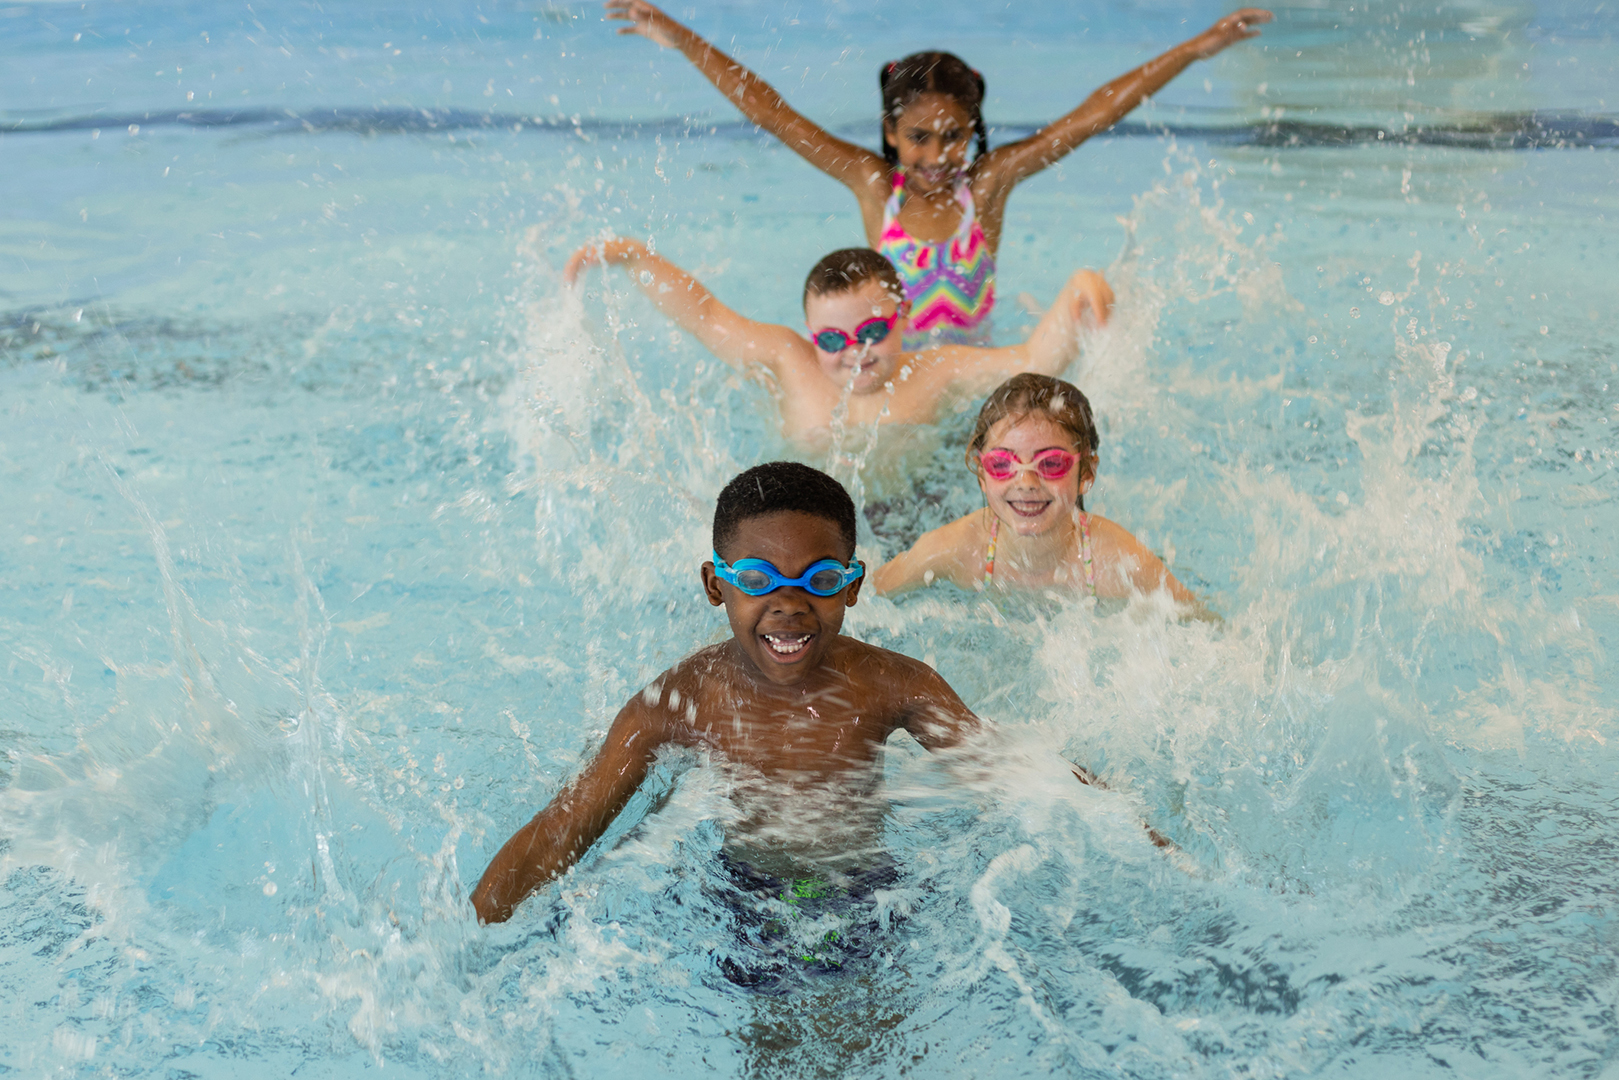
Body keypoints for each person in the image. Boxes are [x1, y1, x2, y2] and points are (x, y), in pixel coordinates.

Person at [470, 462, 1145, 927]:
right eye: (758, 578)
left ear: (852, 586)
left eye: (820, 579)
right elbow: (564, 827)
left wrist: (1133, 833)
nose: (788, 604)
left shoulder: (892, 684)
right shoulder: (678, 701)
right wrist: (471, 931)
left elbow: (1009, 771)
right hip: (741, 894)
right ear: (716, 586)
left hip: (866, 891)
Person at [603, 1, 1271, 347]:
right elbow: (772, 112)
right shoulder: (873, 185)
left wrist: (1195, 48)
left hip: (964, 375)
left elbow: (1092, 114)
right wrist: (682, 38)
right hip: (887, 370)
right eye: (918, 138)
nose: (936, 155)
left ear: (973, 134)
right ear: (890, 134)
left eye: (954, 136)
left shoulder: (988, 185)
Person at [564, 239, 1111, 445]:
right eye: (833, 338)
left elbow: (1032, 361)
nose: (856, 350)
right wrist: (635, 258)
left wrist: (1077, 290)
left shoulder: (937, 368)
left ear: (904, 320)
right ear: (810, 336)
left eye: (873, 331)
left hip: (905, 511)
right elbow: (706, 317)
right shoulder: (787, 358)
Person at [872, 374, 1214, 620]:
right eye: (1002, 463)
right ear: (980, 472)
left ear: (1087, 474)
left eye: (1051, 463)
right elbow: (864, 599)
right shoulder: (953, 550)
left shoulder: (1121, 563)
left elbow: (1206, 627)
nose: (1026, 481)